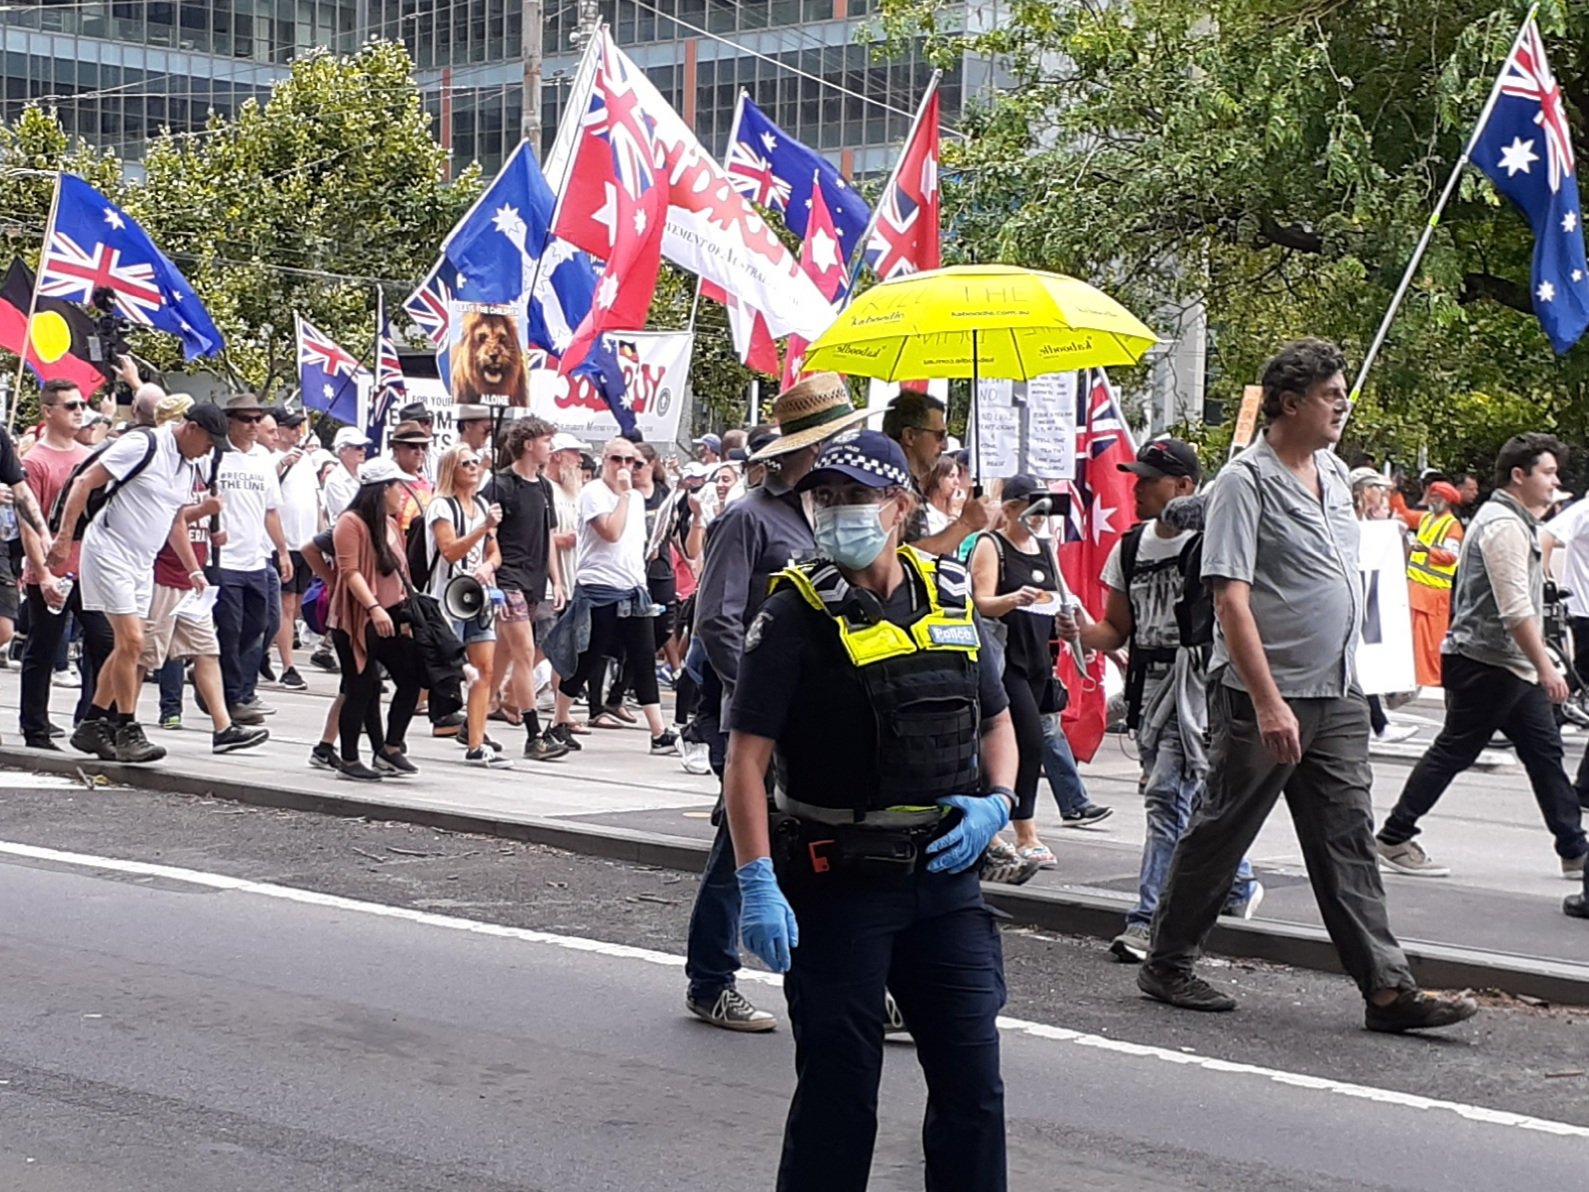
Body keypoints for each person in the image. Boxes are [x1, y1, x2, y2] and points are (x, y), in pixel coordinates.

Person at [1137, 338, 1477, 1033]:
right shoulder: (1244, 481)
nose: (1341, 407)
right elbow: (1231, 598)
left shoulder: (1329, 470)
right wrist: (1266, 702)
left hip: (1338, 692)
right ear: (1289, 403)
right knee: (1222, 829)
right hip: (1264, 694)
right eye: (1330, 395)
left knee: (1345, 837)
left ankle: (1386, 988)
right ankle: (1167, 960)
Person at [724, 427, 1017, 1190]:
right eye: (823, 497)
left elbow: (996, 721)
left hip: (944, 883)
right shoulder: (792, 614)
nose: (834, 512)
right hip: (838, 883)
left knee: (972, 1087)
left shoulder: (949, 594)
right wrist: (755, 881)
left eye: (854, 496)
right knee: (837, 1088)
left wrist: (999, 802)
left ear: (899, 504)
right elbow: (745, 761)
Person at [684, 374, 869, 1032]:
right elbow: (716, 619)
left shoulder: (829, 515)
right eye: (834, 441)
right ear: (804, 450)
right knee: (742, 848)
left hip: (823, 712)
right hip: (762, 718)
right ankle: (710, 981)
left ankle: (854, 980)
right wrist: (762, 698)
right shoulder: (746, 519)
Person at [1067, 438, 1260, 963]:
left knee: (1167, 799)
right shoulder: (1129, 548)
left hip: (1196, 685)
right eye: (1136, 476)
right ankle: (1237, 881)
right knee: (1190, 798)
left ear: (1184, 488)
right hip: (1149, 690)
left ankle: (1148, 917)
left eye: (1148, 479)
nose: (1136, 487)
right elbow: (1115, 631)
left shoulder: (1212, 544)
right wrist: (1077, 631)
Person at [1377, 434, 1589, 880]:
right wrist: (1547, 667)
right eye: (1548, 473)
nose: (1555, 482)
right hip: (1487, 662)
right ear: (1519, 475)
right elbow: (1514, 609)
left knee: (1544, 752)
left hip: (1505, 662)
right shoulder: (1502, 527)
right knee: (1456, 749)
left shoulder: (1512, 520)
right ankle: (1395, 835)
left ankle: (1575, 849)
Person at [48, 402, 230, 764]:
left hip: (142, 561)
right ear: (191, 428)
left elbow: (174, 519)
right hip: (109, 548)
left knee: (130, 645)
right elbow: (85, 482)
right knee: (131, 640)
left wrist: (193, 569)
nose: (211, 450)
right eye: (210, 441)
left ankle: (93, 722)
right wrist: (65, 538)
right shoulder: (144, 444)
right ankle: (126, 727)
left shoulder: (188, 463)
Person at [135, 394, 269, 754]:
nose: (208, 447)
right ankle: (124, 722)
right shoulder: (163, 463)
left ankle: (223, 727)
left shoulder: (201, 465)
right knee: (145, 655)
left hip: (191, 573)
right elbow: (169, 521)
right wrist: (202, 511)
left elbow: (191, 515)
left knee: (206, 650)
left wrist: (209, 531)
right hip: (164, 571)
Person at [544, 439, 677, 754]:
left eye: (632, 461)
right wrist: (626, 495)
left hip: (632, 586)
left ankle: (658, 732)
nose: (624, 466)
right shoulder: (595, 493)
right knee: (589, 656)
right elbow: (610, 531)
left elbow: (634, 542)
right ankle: (560, 719)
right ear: (605, 460)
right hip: (599, 588)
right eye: (617, 459)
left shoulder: (635, 498)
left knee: (643, 657)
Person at [969, 474, 1068, 874]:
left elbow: (1063, 597)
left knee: (1037, 739)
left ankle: (1002, 824)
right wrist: (1013, 599)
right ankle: (1023, 830)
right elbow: (981, 601)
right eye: (1034, 509)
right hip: (1003, 659)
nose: (1041, 518)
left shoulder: (1044, 548)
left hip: (1038, 658)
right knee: (1025, 739)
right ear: (1010, 510)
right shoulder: (991, 546)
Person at [17, 379, 110, 748]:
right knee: (44, 647)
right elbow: (29, 521)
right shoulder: (34, 461)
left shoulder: (88, 457)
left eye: (81, 405)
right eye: (70, 405)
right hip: (51, 569)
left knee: (104, 643)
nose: (78, 412)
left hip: (88, 568)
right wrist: (41, 574)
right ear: (48, 411)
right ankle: (35, 726)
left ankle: (92, 720)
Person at [327, 457, 424, 781]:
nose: (402, 492)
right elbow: (349, 571)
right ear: (382, 489)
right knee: (361, 685)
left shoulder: (391, 523)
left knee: (412, 675)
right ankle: (350, 757)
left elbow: (400, 572)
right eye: (398, 485)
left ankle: (391, 747)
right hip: (357, 619)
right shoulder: (350, 522)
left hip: (392, 615)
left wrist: (404, 610)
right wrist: (373, 607)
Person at [479, 418, 568, 760]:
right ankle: (534, 735)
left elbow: (547, 538)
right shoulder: (501, 485)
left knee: (503, 654)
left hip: (533, 581)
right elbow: (485, 530)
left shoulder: (544, 487)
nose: (550, 446)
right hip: (508, 579)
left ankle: (477, 714)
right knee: (524, 653)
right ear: (529, 444)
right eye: (547, 440)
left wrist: (556, 579)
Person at [211, 393, 292, 722]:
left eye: (258, 419)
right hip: (225, 558)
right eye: (247, 419)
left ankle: (235, 685)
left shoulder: (263, 459)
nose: (253, 425)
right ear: (230, 421)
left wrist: (282, 550)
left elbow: (271, 510)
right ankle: (235, 695)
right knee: (229, 628)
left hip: (256, 556)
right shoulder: (216, 456)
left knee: (260, 625)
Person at [427, 444, 509, 768]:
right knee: (442, 671)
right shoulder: (441, 507)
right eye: (466, 463)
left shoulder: (482, 504)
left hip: (478, 596)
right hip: (448, 596)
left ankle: (476, 741)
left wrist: (488, 567)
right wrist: (482, 526)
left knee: (485, 668)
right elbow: (449, 551)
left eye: (476, 462)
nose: (474, 467)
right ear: (451, 469)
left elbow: (495, 553)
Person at [1349, 467, 1419, 745]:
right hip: (1355, 599)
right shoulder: (1348, 518)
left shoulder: (1368, 522)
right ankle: (1377, 723)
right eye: (1378, 489)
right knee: (1359, 661)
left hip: (1367, 598)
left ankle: (1376, 722)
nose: (1383, 496)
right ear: (1364, 491)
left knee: (1364, 661)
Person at [881, 389, 991, 556]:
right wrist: (966, 524)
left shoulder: (905, 483)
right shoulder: (891, 488)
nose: (945, 446)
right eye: (939, 436)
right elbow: (904, 558)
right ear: (910, 436)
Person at [270, 408, 318, 691]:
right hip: (284, 541)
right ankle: (288, 665)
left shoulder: (307, 461)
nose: (297, 431)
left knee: (295, 604)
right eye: (291, 427)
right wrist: (281, 465)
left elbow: (315, 500)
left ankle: (266, 648)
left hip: (305, 542)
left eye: (299, 426)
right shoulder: (272, 458)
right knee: (286, 604)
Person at [1406, 479, 1463, 688]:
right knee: (1416, 637)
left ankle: (1430, 678)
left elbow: (1451, 556)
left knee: (1430, 641)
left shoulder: (1452, 526)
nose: (1432, 500)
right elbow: (1404, 514)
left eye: (1437, 497)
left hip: (1434, 593)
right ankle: (1418, 676)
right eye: (1432, 496)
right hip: (1417, 588)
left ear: (1447, 501)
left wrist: (1426, 550)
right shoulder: (1427, 518)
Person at [323, 427, 368, 521]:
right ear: (343, 450)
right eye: (358, 447)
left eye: (364, 446)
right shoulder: (334, 480)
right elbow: (348, 515)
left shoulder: (367, 473)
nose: (364, 450)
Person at [921, 455, 963, 536]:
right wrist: (953, 514)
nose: (957, 482)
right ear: (937, 478)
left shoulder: (958, 509)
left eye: (957, 476)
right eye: (951, 476)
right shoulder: (926, 513)